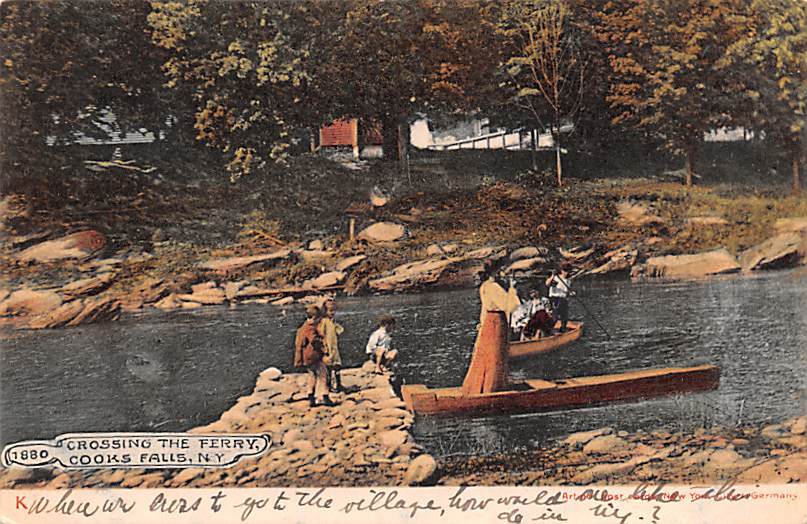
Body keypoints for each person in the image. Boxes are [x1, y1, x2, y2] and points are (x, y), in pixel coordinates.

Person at [461, 258, 520, 395]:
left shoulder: (485, 286)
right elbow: (509, 306)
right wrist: (512, 289)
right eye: (499, 270)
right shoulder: (493, 287)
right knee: (495, 355)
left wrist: (482, 324)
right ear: (495, 271)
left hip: (489, 320)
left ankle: (483, 386)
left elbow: (484, 310)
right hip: (496, 322)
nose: (501, 273)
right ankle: (491, 388)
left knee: (487, 354)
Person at [294, 304, 334, 407]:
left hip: (306, 357)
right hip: (313, 355)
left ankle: (311, 397)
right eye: (318, 320)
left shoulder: (302, 327)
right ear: (314, 318)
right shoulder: (310, 328)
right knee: (323, 374)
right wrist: (323, 348)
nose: (319, 322)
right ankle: (325, 396)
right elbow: (314, 340)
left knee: (312, 376)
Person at [318, 299, 344, 392]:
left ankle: (339, 384)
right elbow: (321, 333)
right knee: (328, 367)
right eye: (330, 311)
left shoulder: (331, 321)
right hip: (328, 347)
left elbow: (338, 331)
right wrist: (324, 345)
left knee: (337, 365)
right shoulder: (324, 321)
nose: (332, 313)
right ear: (325, 311)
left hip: (334, 347)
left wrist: (336, 326)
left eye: (334, 310)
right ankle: (328, 386)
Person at [545, 264, 574, 333]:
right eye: (565, 270)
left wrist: (571, 293)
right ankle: (547, 329)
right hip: (555, 299)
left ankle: (562, 331)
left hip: (563, 299)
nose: (566, 272)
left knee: (565, 317)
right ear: (561, 270)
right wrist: (552, 275)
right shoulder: (556, 278)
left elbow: (566, 291)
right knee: (554, 317)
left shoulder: (568, 280)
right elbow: (547, 284)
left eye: (568, 271)